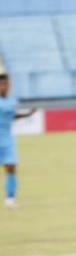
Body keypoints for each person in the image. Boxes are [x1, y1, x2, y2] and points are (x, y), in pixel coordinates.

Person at [0, 73, 37, 209]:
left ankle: (10, 198)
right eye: (2, 84)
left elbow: (12, 115)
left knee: (11, 168)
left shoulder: (12, 101)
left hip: (7, 138)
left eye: (6, 84)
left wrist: (27, 114)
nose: (5, 86)